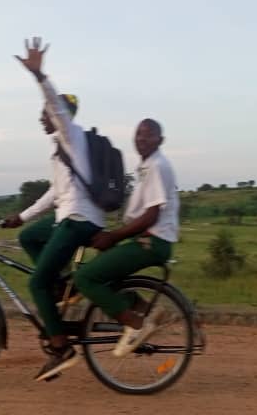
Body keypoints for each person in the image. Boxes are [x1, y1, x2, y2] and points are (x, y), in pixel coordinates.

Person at [2, 37, 105, 381]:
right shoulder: (63, 150)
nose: (42, 117)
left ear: (59, 115)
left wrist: (39, 76)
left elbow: (58, 107)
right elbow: (54, 194)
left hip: (78, 221)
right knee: (31, 236)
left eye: (47, 113)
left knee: (36, 285)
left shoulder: (70, 135)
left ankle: (61, 347)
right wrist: (22, 217)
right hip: (69, 216)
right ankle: (63, 287)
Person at [73, 118, 180, 357]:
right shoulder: (147, 166)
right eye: (138, 134)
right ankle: (148, 309)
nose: (141, 139)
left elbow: (152, 215)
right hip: (147, 238)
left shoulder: (157, 166)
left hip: (152, 241)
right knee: (105, 273)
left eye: (148, 135)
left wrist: (113, 237)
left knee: (85, 278)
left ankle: (135, 325)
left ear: (159, 140)